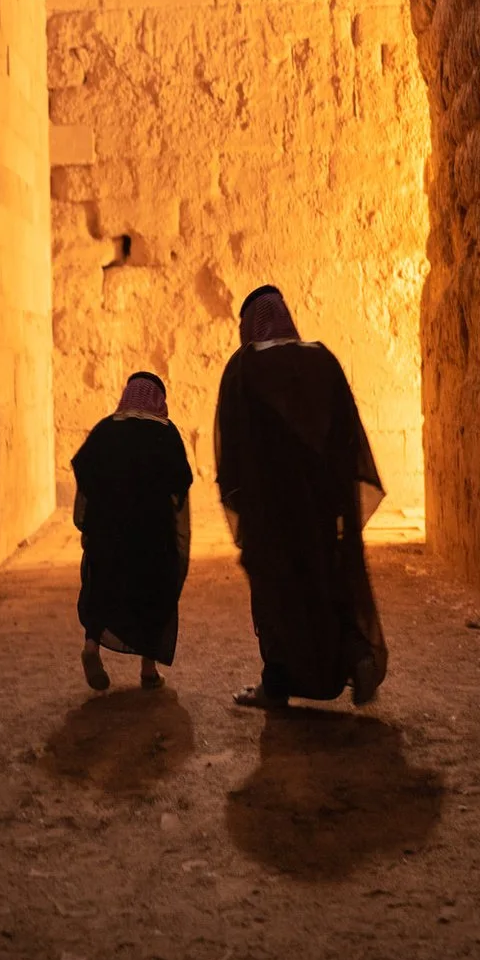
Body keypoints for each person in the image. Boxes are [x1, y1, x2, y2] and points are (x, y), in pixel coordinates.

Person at [214, 285, 387, 709]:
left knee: (277, 598)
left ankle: (276, 685)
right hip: (322, 508)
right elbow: (348, 436)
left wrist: (239, 501)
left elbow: (232, 446)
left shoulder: (243, 368)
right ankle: (357, 655)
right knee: (329, 583)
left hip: (270, 513)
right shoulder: (322, 359)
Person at [70, 371, 194, 691]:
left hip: (106, 534)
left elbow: (84, 481)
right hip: (152, 537)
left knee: (101, 587)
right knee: (153, 595)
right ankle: (148, 669)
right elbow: (180, 489)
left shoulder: (105, 429)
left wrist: (85, 524)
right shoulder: (166, 434)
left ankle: (91, 646)